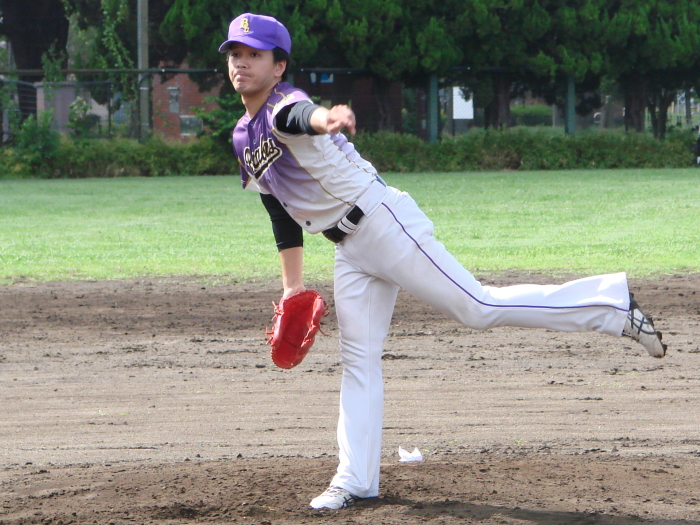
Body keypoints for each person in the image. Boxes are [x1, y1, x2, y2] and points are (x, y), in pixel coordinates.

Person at [218, 13, 667, 510]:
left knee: (478, 307)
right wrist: (292, 287)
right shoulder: (242, 136)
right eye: (236, 53)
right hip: (348, 248)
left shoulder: (284, 105)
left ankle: (610, 306)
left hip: (384, 223)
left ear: (279, 67)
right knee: (359, 360)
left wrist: (329, 118)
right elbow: (278, 209)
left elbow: (304, 117)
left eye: (255, 54)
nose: (242, 62)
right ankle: (355, 479)